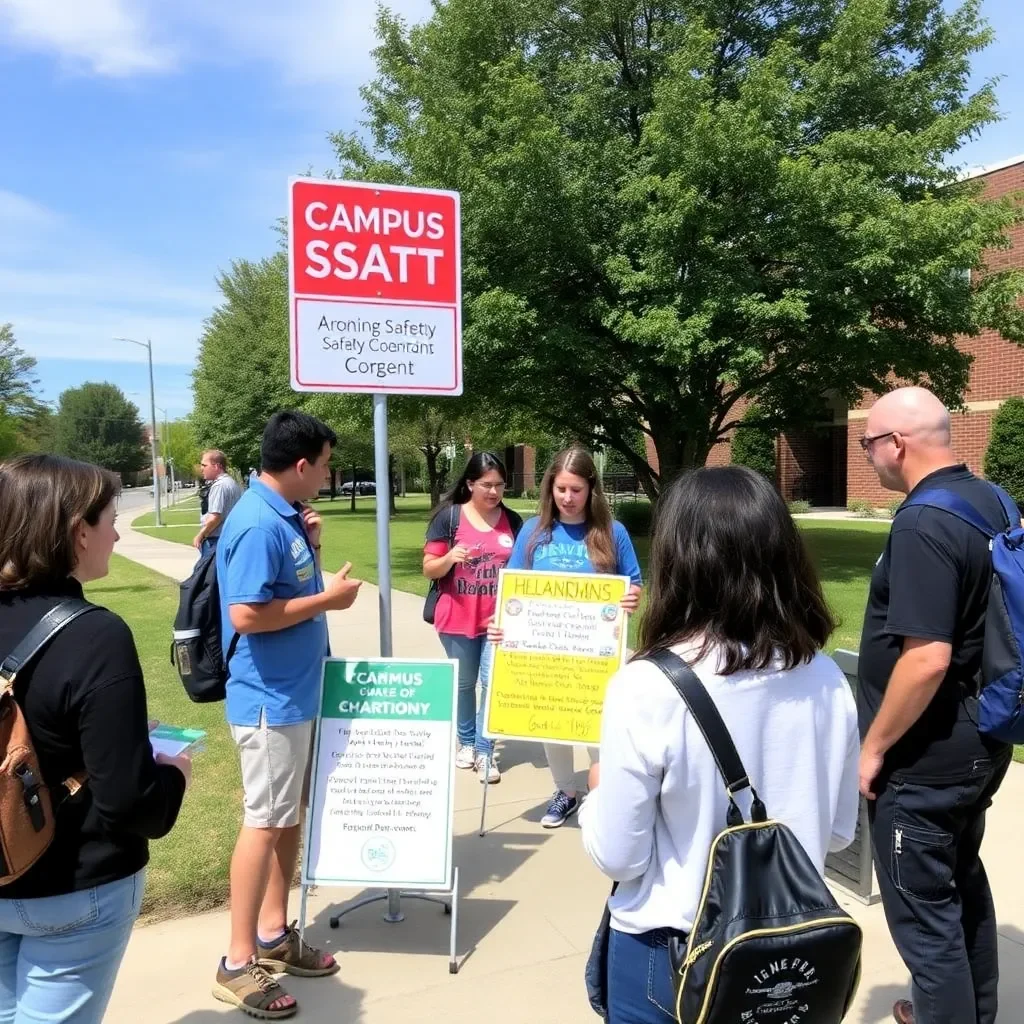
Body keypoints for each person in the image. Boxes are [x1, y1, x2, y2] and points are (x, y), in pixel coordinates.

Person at [580, 465, 859, 1024]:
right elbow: (835, 833)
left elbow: (619, 854)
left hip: (671, 950)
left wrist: (596, 792)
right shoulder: (827, 677)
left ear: (679, 559)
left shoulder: (645, 685)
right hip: (786, 960)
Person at [0, 454, 189, 1023]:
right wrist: (173, 775)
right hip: (75, 886)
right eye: (109, 517)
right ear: (77, 530)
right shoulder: (96, 635)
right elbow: (134, 804)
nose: (115, 530)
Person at [857, 387, 1015, 1024]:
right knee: (960, 882)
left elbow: (927, 659)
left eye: (870, 444)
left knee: (925, 922)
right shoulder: (993, 499)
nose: (869, 456)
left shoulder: (923, 522)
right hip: (985, 735)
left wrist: (873, 749)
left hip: (927, 758)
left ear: (897, 443)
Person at [213, 411, 363, 1020]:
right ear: (302, 466)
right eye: (326, 464)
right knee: (264, 822)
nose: (328, 475)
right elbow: (247, 615)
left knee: (286, 817)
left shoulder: (285, 518)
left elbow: (284, 592)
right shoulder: (254, 523)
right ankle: (236, 962)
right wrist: (329, 599)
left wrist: (317, 552)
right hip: (270, 703)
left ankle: (274, 934)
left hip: (297, 696)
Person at [489, 447, 642, 827]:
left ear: (592, 488)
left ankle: (605, 793)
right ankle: (565, 791)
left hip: (596, 651)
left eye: (576, 490)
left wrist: (631, 597)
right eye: (561, 489)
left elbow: (634, 584)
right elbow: (513, 592)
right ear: (550, 488)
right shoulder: (533, 530)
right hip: (544, 651)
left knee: (599, 723)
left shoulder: (612, 532)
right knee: (549, 720)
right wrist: (500, 625)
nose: (568, 498)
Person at [423, 453, 523, 784]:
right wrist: (450, 557)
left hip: (498, 622)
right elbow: (429, 568)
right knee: (465, 685)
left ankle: (483, 749)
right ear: (470, 484)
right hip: (457, 615)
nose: (494, 492)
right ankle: (465, 743)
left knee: (492, 686)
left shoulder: (513, 520)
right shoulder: (449, 518)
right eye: (487, 485)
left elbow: (523, 569)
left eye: (499, 485)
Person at [193, 449, 243, 557]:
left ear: (216, 466)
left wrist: (201, 535)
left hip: (216, 542)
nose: (201, 469)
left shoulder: (219, 486)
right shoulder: (232, 482)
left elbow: (215, 518)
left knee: (207, 573)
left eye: (204, 465)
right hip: (229, 538)